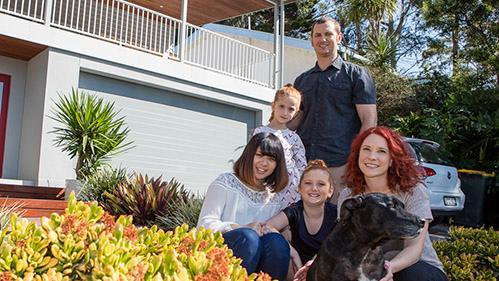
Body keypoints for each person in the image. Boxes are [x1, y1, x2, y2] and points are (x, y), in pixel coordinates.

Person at [338, 126, 448, 281]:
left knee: (409, 274)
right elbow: (344, 246)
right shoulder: (349, 196)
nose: (372, 156)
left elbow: (414, 248)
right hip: (372, 271)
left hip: (418, 270)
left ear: (391, 159)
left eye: (381, 151)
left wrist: (389, 268)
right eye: (366, 149)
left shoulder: (412, 191)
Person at [289, 16, 377, 204]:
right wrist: (270, 131)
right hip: (303, 161)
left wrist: (355, 160)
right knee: (301, 217)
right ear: (312, 40)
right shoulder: (302, 80)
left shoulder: (357, 75)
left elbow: (369, 120)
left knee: (336, 219)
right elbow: (296, 118)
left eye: (328, 34)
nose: (323, 39)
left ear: (339, 37)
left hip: (340, 163)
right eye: (317, 35)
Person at [197, 132, 291, 280]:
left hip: (259, 258)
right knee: (249, 237)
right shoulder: (225, 182)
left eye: (271, 159)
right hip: (222, 254)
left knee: (277, 243)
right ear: (249, 155)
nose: (264, 163)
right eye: (259, 155)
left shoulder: (274, 198)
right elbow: (204, 225)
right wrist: (239, 227)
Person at [264, 159, 336, 279]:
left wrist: (314, 263)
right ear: (299, 189)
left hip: (325, 270)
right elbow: (267, 226)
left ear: (330, 191)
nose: (314, 188)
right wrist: (293, 252)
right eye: (308, 183)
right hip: (298, 271)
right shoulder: (295, 210)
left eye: (321, 184)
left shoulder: (336, 214)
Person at [253, 84, 307, 207]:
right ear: (273, 105)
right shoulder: (260, 132)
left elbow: (302, 166)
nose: (285, 112)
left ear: (296, 112)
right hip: (264, 185)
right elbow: (251, 158)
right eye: (281, 106)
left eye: (291, 109)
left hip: (290, 192)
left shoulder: (294, 138)